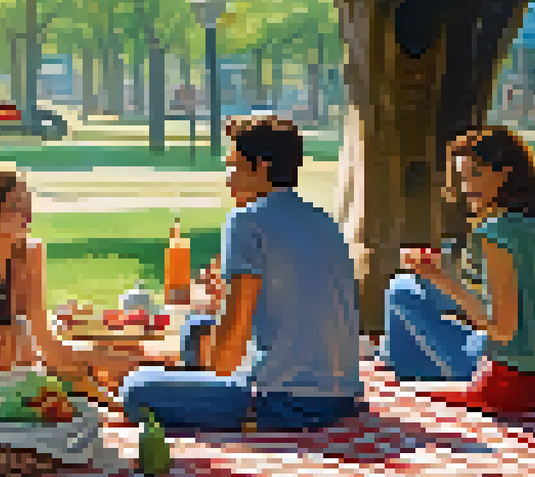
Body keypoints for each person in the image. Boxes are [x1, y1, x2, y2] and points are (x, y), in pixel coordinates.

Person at [119, 116, 362, 432]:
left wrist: (179, 372)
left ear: (261, 167)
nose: (227, 178)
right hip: (342, 395)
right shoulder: (324, 222)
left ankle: (223, 409)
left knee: (136, 389)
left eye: (232, 166)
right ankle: (200, 395)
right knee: (195, 328)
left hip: (285, 402)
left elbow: (227, 356)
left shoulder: (246, 221)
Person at [382, 126, 535, 414]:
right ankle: (396, 363)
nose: (467, 187)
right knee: (424, 291)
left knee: (402, 290)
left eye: (476, 175)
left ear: (505, 173)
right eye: (463, 177)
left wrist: (443, 278)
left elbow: (501, 331)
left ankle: (391, 372)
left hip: (510, 385)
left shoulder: (497, 231)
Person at [0, 165, 139, 389]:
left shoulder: (29, 253)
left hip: (16, 365)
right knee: (18, 332)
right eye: (15, 206)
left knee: (118, 360)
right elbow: (4, 344)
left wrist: (108, 361)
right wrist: (91, 365)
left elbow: (45, 342)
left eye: (27, 202)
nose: (27, 213)